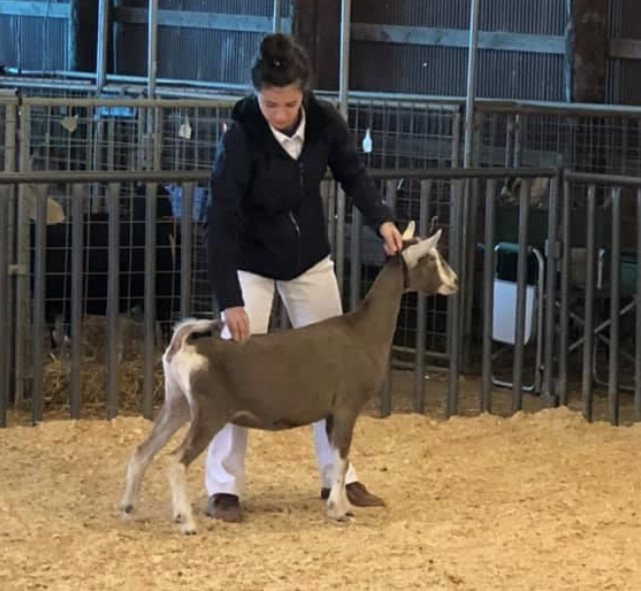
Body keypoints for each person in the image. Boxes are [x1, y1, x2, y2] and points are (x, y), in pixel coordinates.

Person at [204, 32, 404, 523]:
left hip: (309, 260)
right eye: (270, 104)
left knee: (337, 369)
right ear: (257, 95)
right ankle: (223, 487)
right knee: (232, 368)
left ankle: (339, 477)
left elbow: (354, 175)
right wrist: (230, 298)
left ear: (304, 94)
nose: (280, 113)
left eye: (289, 104)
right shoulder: (240, 135)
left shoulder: (325, 122)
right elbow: (221, 218)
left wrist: (381, 219)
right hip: (250, 263)